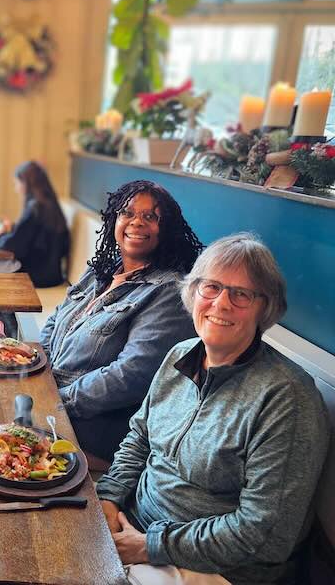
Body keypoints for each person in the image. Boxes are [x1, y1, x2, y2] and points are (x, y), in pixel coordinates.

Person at [97, 233, 330, 585]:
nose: (221, 304)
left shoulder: (287, 398)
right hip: (135, 526)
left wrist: (150, 547)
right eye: (212, 287)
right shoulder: (180, 354)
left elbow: (265, 534)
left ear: (264, 308)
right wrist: (110, 498)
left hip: (214, 568)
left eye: (241, 294)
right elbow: (140, 437)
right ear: (194, 293)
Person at [40, 180, 203, 462]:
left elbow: (132, 375)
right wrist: (35, 367)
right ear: (115, 219)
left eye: (150, 217)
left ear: (167, 230)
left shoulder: (168, 292)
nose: (136, 223)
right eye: (127, 213)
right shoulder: (102, 270)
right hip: (52, 398)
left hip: (92, 427)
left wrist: (57, 401)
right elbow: (56, 318)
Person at [0, 160, 70, 287]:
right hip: (53, 274)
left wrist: (1, 234)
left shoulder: (35, 207)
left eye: (17, 183)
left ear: (26, 183)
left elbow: (13, 246)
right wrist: (13, 228)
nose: (16, 188)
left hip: (37, 276)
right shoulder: (51, 205)